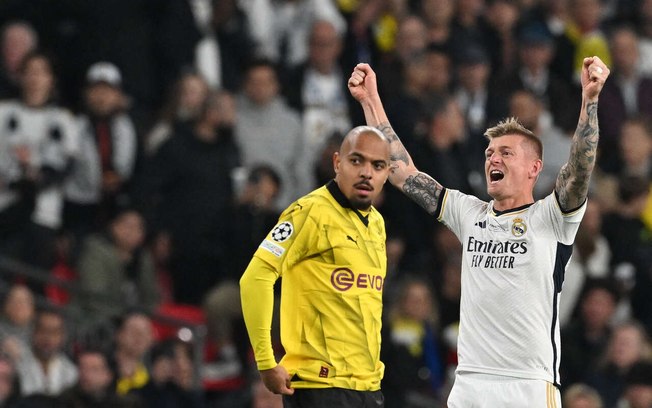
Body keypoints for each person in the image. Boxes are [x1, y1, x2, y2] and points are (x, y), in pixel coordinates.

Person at [347, 55, 609, 406]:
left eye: (505, 152)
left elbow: (578, 171)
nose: (492, 159)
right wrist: (371, 101)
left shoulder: (552, 217)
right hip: (470, 382)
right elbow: (399, 170)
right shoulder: (468, 213)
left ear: (534, 168)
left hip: (527, 383)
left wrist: (589, 102)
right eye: (488, 153)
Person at [240, 125, 392, 407]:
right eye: (356, 160)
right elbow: (255, 277)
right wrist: (265, 361)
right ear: (337, 163)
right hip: (319, 388)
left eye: (378, 165)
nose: (366, 172)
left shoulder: (377, 224)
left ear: (387, 173)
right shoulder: (309, 212)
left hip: (368, 387)